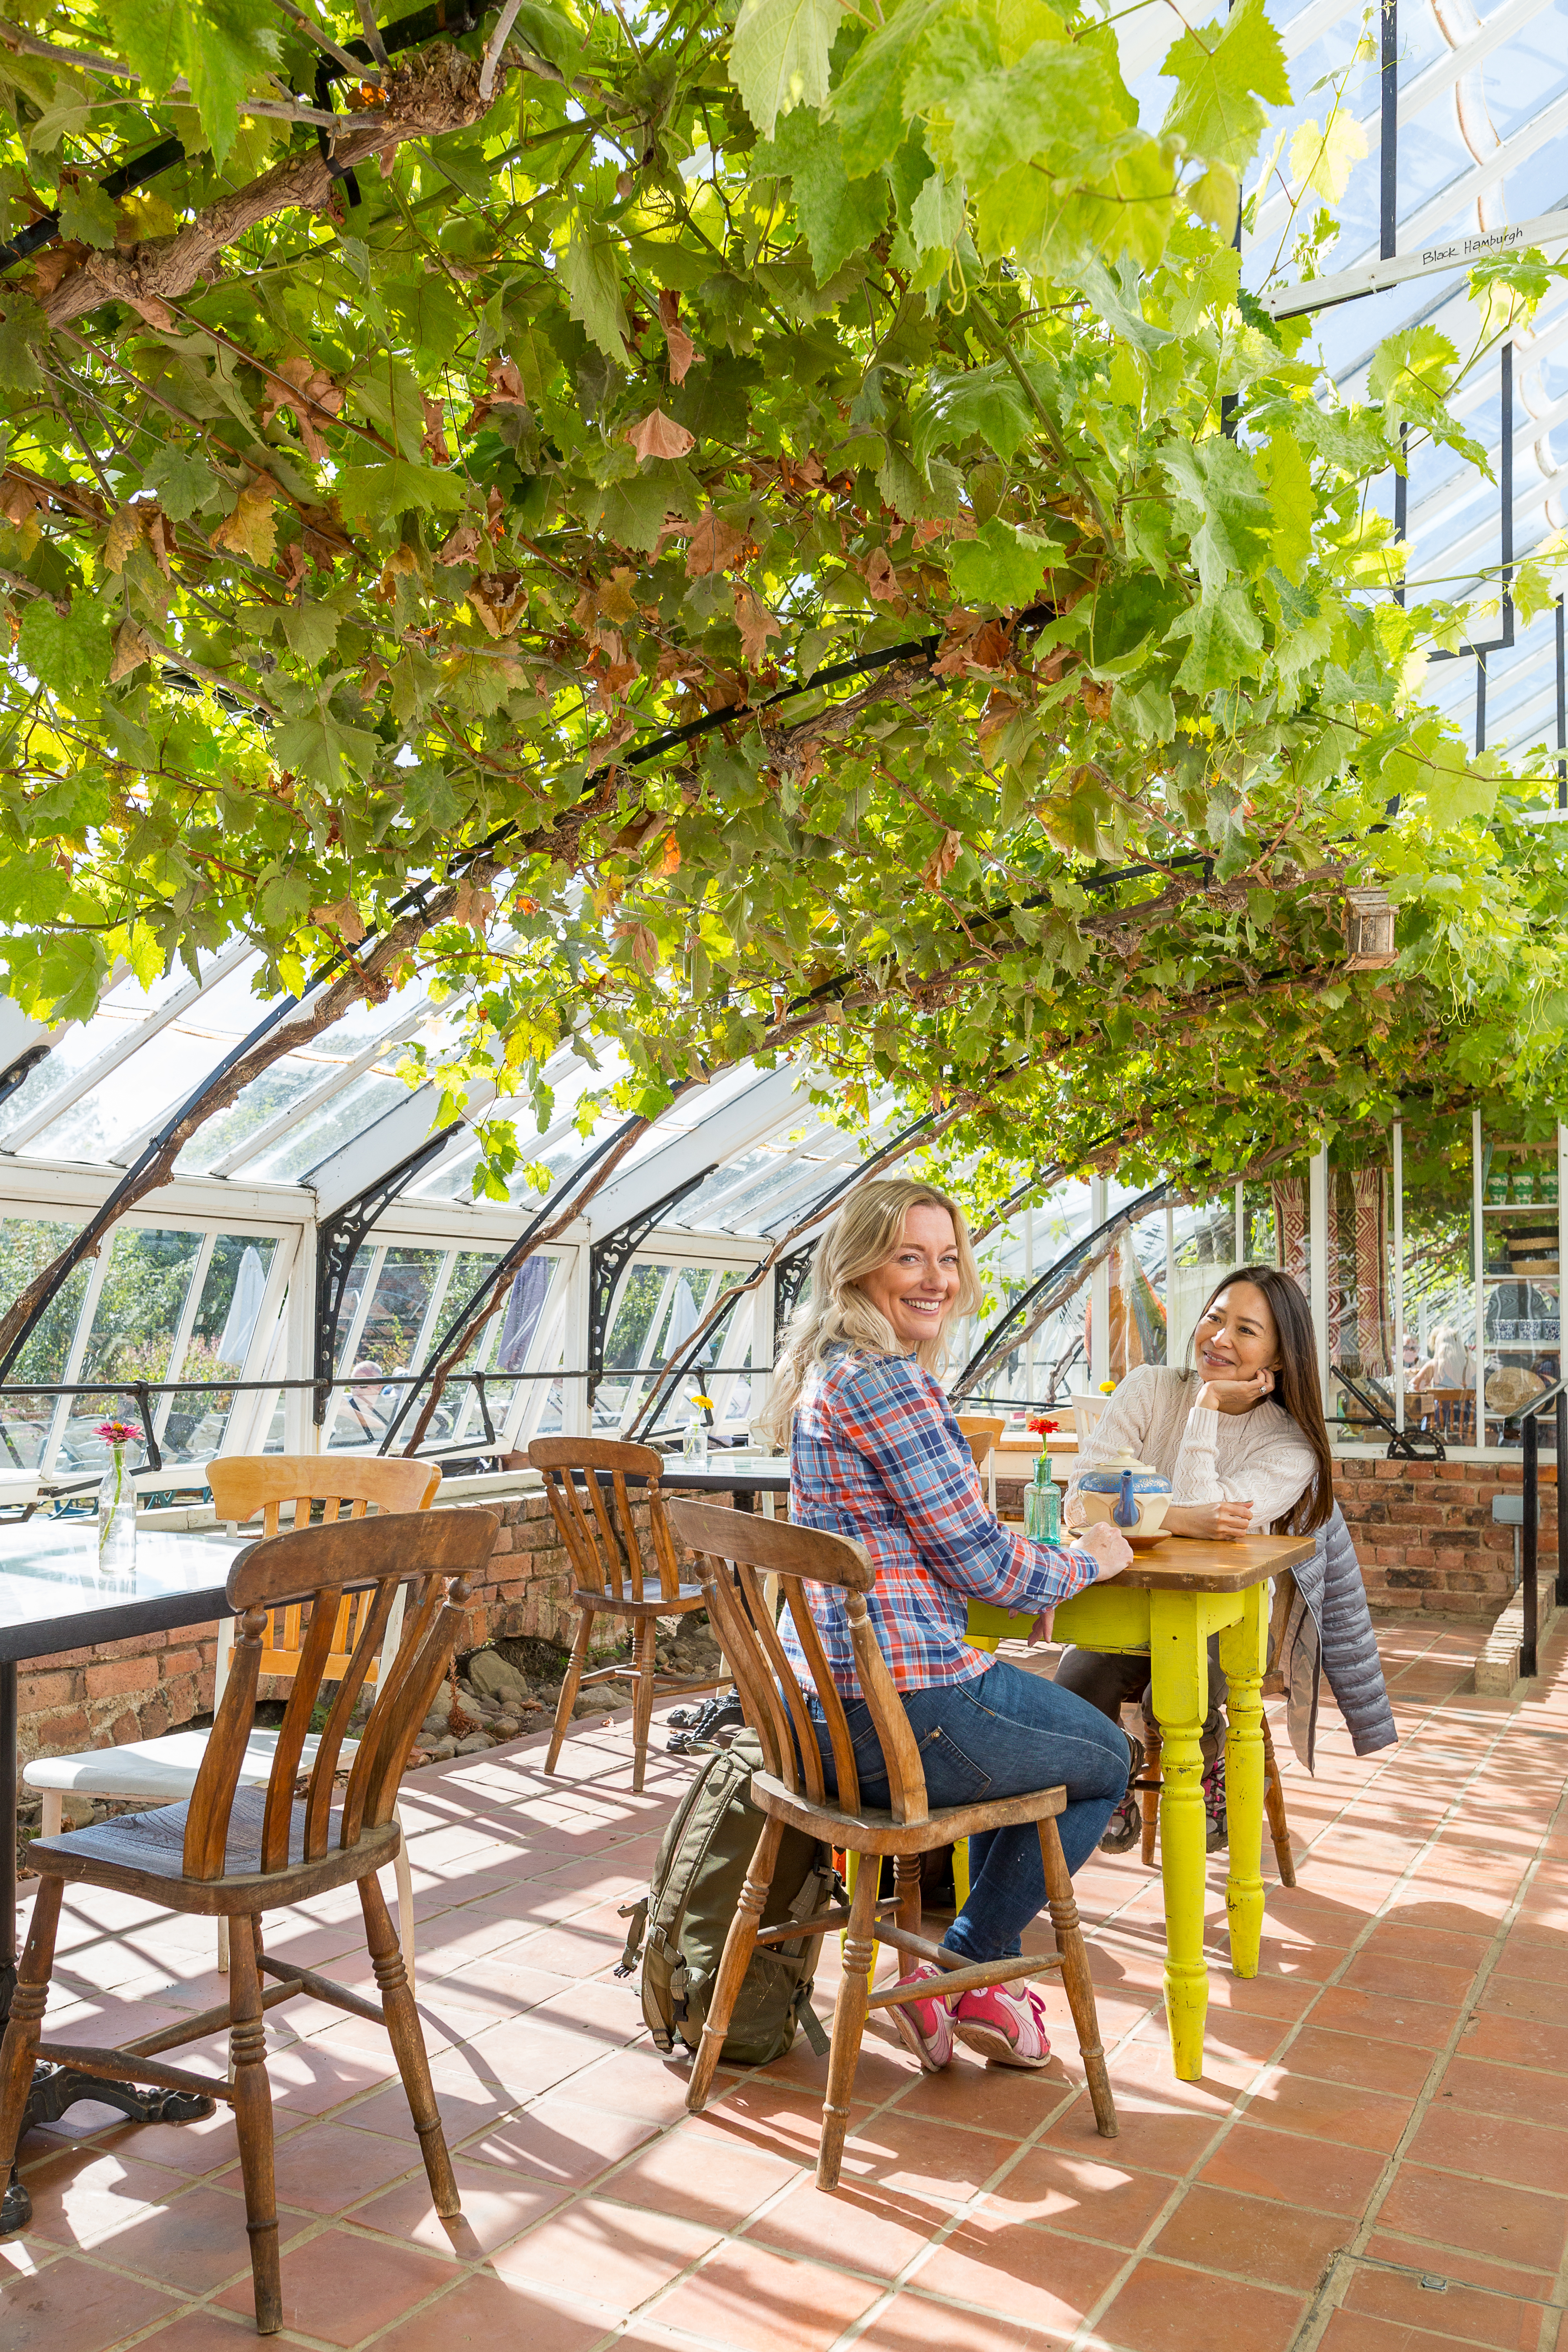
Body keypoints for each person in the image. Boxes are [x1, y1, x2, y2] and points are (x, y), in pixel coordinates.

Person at [762, 1178, 1134, 2075]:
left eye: (946, 1257)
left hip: (816, 1721)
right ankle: (966, 1967)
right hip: (900, 1713)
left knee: (1019, 1731)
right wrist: (1091, 1559)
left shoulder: (829, 1372)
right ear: (857, 1268)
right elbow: (988, 1572)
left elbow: (936, 1544)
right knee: (1104, 1762)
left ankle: (958, 1981)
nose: (935, 1278)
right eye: (907, 1257)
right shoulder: (889, 1382)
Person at [1056, 1264, 1333, 1852]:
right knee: (1076, 1678)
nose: (1220, 1338)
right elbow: (1079, 1502)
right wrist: (1181, 1520)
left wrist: (1205, 1406)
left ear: (1279, 1360)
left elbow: (1209, 1513)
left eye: (1246, 1330)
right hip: (1128, 1606)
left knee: (1178, 1694)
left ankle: (1209, 1772)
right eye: (1214, 1317)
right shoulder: (1149, 1387)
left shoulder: (1289, 1448)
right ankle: (1112, 1775)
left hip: (1223, 1620)